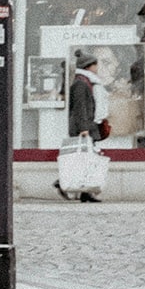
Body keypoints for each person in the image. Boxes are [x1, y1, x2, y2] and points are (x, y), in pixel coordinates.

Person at [57, 50, 107, 202]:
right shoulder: (81, 83)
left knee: (87, 159)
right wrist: (83, 128)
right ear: (88, 66)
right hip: (85, 127)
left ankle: (86, 192)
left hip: (88, 125)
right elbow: (80, 107)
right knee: (83, 158)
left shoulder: (86, 81)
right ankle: (61, 183)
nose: (97, 67)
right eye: (95, 64)